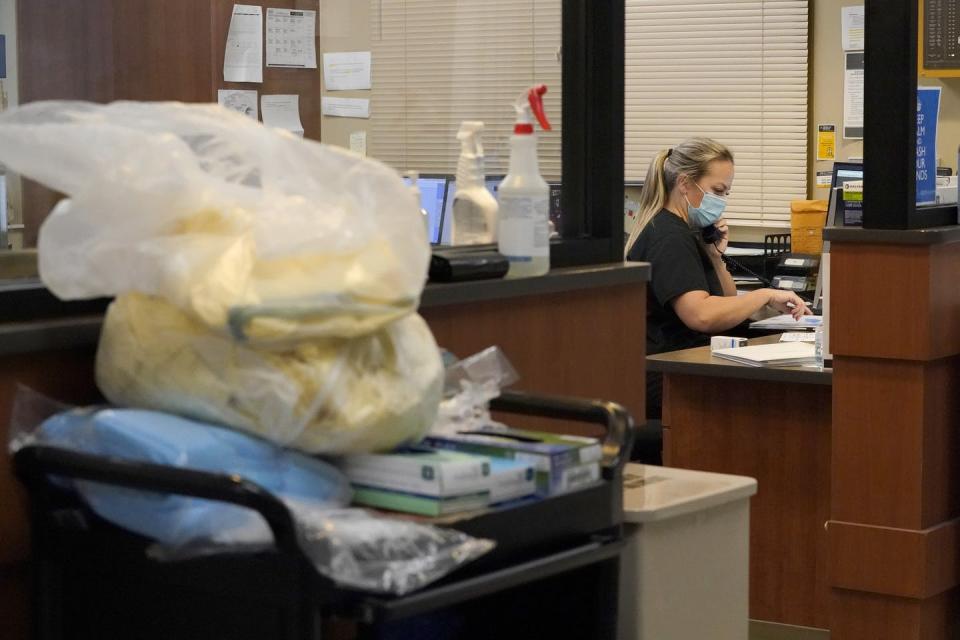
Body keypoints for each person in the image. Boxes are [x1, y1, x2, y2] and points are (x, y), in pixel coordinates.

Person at [625, 137, 811, 431]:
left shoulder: (684, 231)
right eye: (717, 191)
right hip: (669, 376)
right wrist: (764, 294)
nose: (721, 201)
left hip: (682, 364)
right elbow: (702, 314)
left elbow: (726, 298)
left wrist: (714, 254)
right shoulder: (669, 237)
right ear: (685, 183)